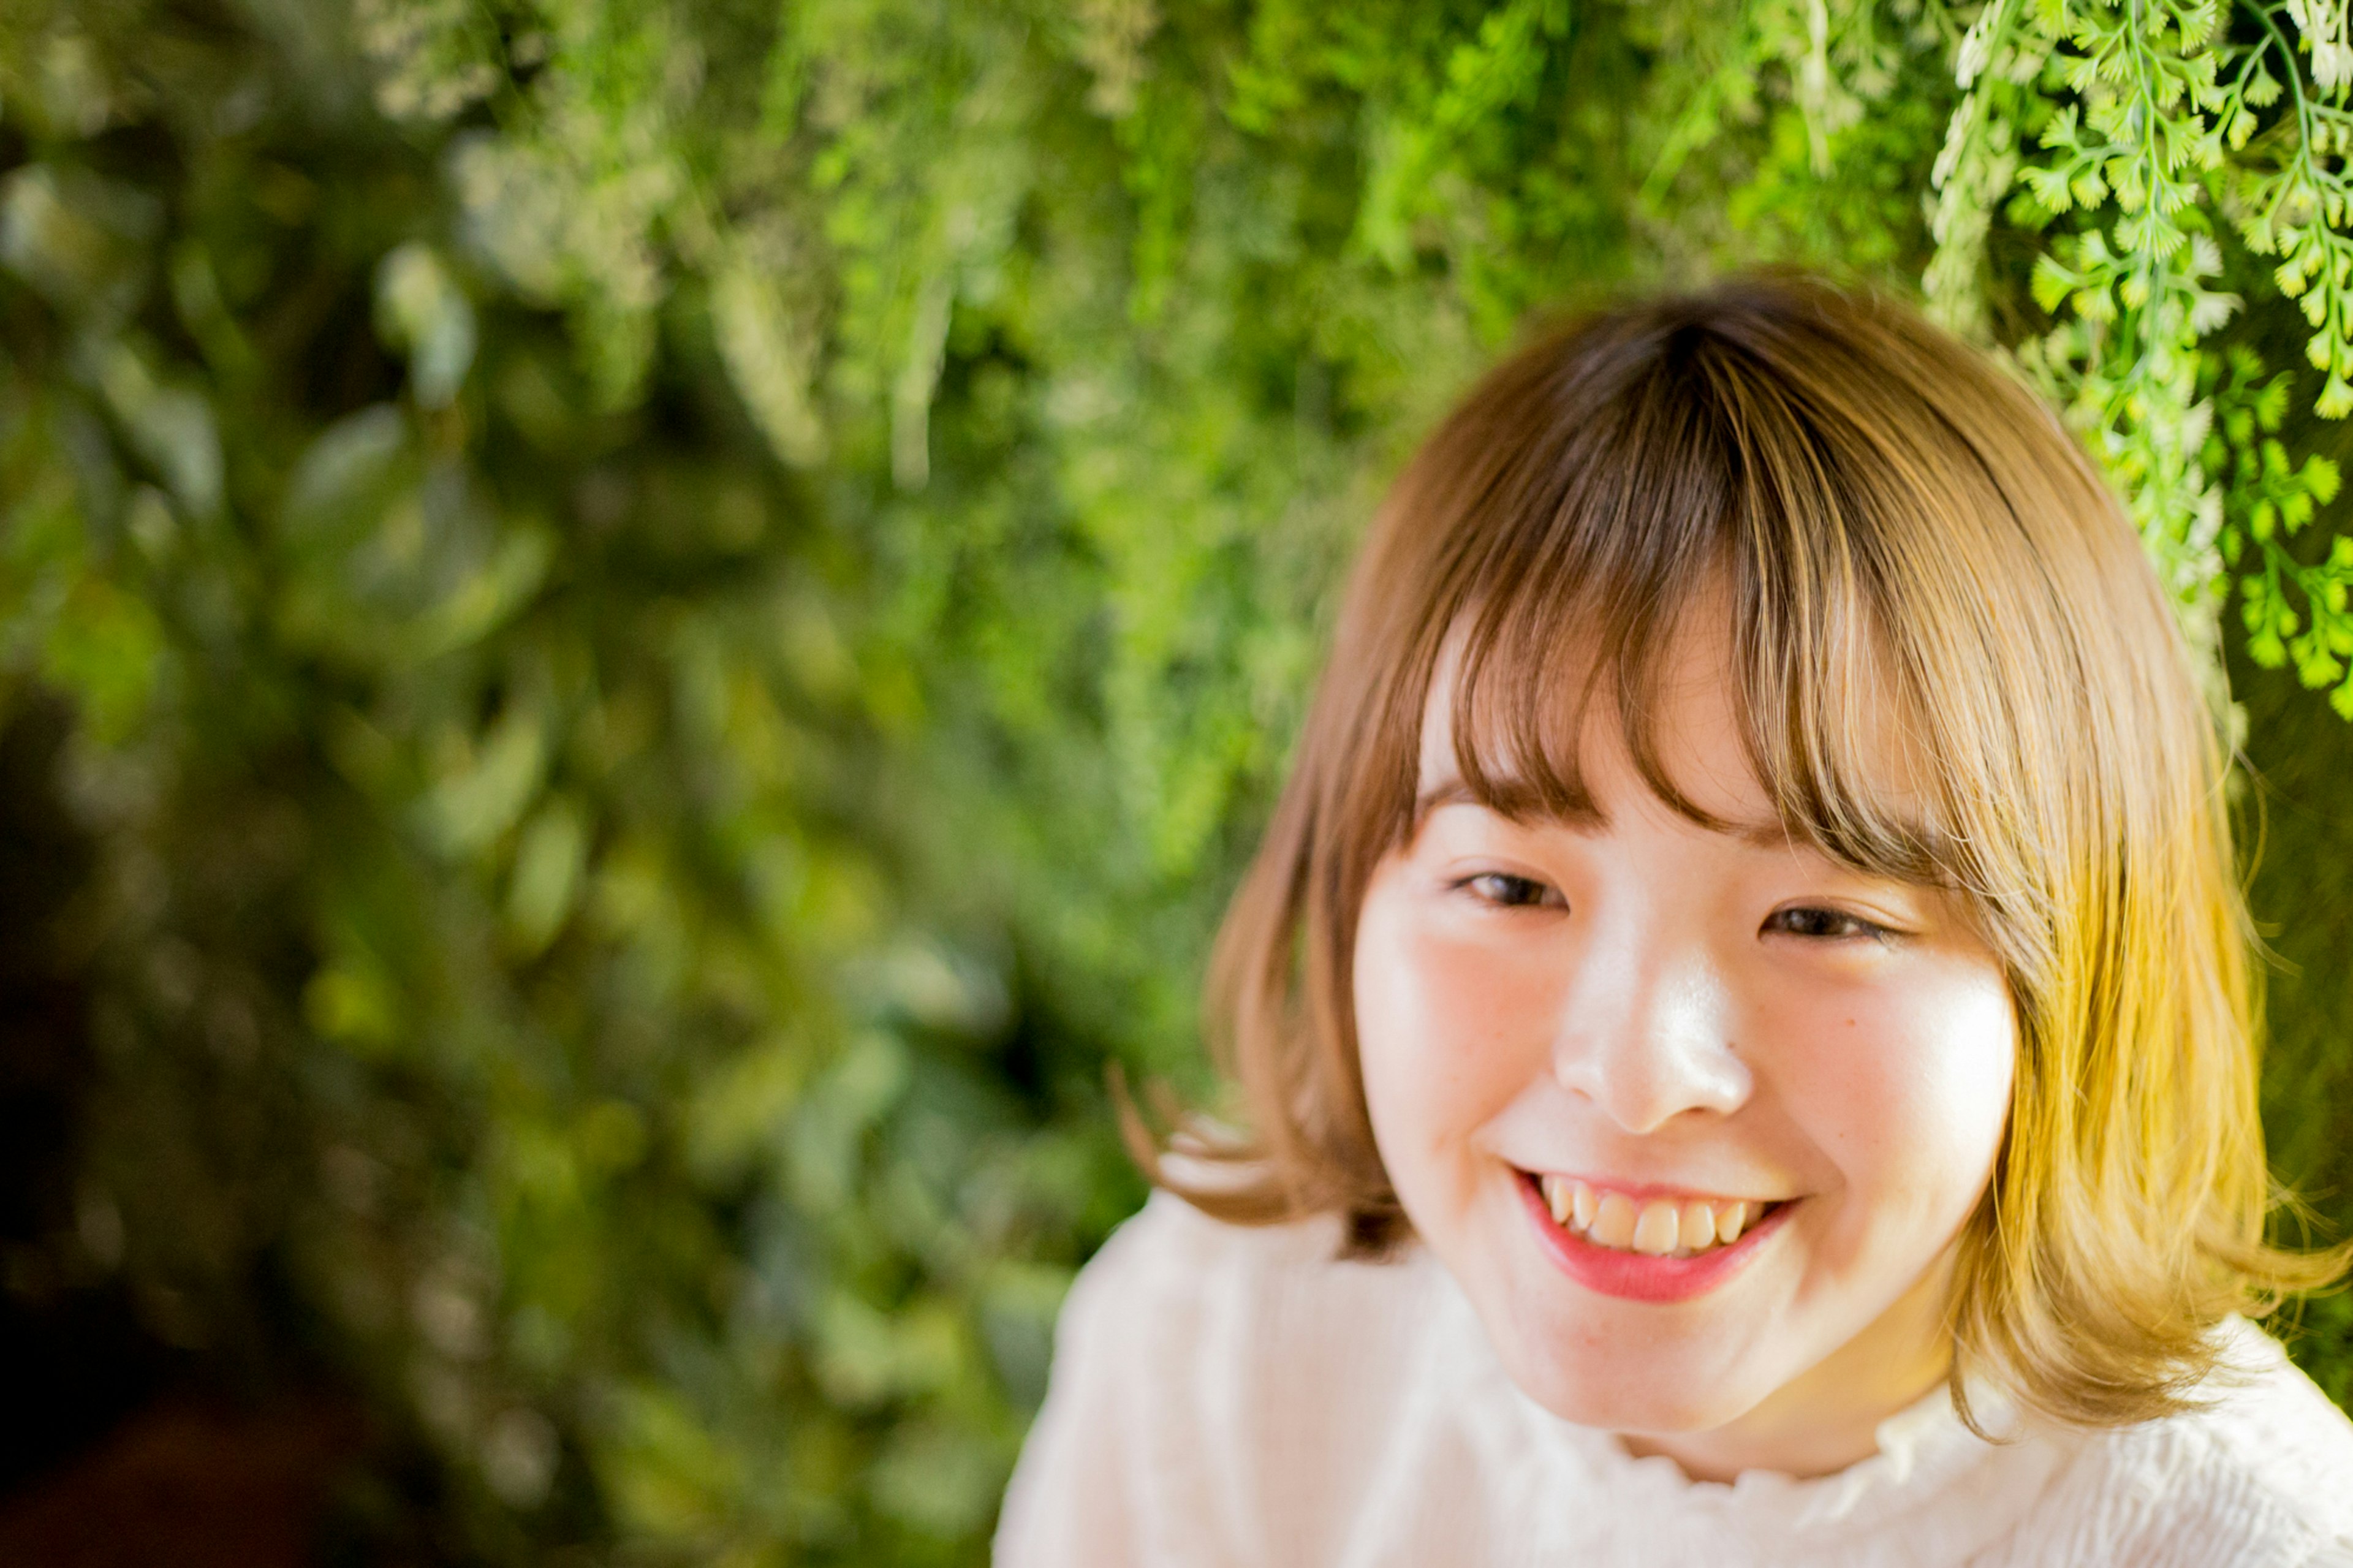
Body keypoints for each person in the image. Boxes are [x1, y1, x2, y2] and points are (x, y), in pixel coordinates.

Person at [991, 276, 2353, 1566]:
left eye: (1824, 916)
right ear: (1348, 886)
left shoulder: (2250, 1539)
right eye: (1511, 887)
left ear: (2072, 978)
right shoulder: (1230, 1340)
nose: (1639, 1076)